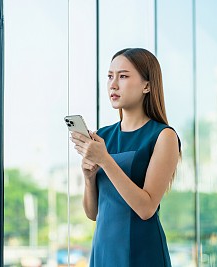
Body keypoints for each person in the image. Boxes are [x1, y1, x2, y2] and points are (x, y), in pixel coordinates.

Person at [70, 48, 181, 267]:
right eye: (110, 76)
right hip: (103, 250)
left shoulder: (163, 136)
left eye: (123, 76)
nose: (113, 84)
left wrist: (105, 160)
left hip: (142, 252)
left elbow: (146, 208)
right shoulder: (103, 137)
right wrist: (89, 178)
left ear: (147, 85)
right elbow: (93, 213)